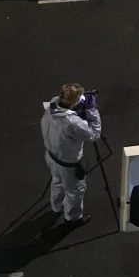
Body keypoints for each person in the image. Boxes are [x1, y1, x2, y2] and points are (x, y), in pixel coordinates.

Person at [41, 83, 101, 226]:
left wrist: (74, 108)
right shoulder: (73, 123)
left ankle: (57, 206)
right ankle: (73, 218)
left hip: (52, 156)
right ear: (74, 102)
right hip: (69, 165)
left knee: (56, 181)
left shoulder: (52, 104)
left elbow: (65, 110)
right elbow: (94, 134)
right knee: (75, 191)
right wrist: (92, 110)